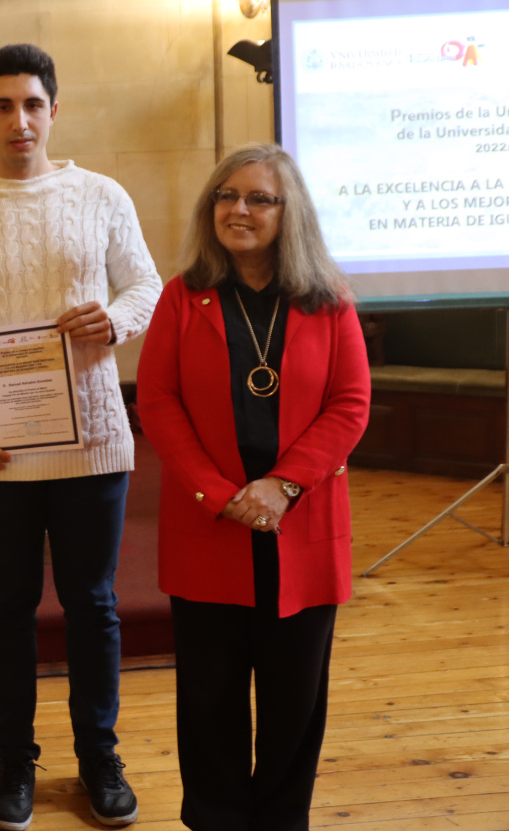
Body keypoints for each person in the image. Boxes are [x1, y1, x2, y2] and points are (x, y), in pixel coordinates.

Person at [0, 44, 162, 830]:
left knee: (93, 604)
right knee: (9, 605)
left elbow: (147, 285)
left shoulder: (101, 195)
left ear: (55, 111)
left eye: (32, 104)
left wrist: (112, 320)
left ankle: (99, 758)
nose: (19, 120)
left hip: (91, 437)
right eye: (3, 106)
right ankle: (14, 761)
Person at [136, 144, 369, 831]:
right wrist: (219, 493)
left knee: (296, 700)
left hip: (302, 523)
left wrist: (283, 486)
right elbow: (159, 403)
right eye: (227, 195)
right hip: (211, 526)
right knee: (209, 698)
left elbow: (350, 404)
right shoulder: (183, 296)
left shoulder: (329, 301)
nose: (239, 210)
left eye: (259, 198)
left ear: (289, 213)